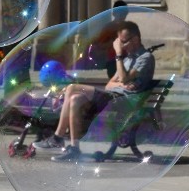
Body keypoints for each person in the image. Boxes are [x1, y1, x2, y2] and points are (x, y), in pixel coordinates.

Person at [33, 20, 155, 162]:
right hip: (113, 97)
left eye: (123, 41)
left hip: (125, 102)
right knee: (74, 100)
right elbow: (110, 84)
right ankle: (74, 148)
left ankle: (57, 137)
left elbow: (123, 77)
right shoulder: (127, 59)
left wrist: (119, 56)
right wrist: (123, 83)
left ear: (136, 39)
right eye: (119, 42)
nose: (120, 45)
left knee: (72, 88)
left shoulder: (145, 58)